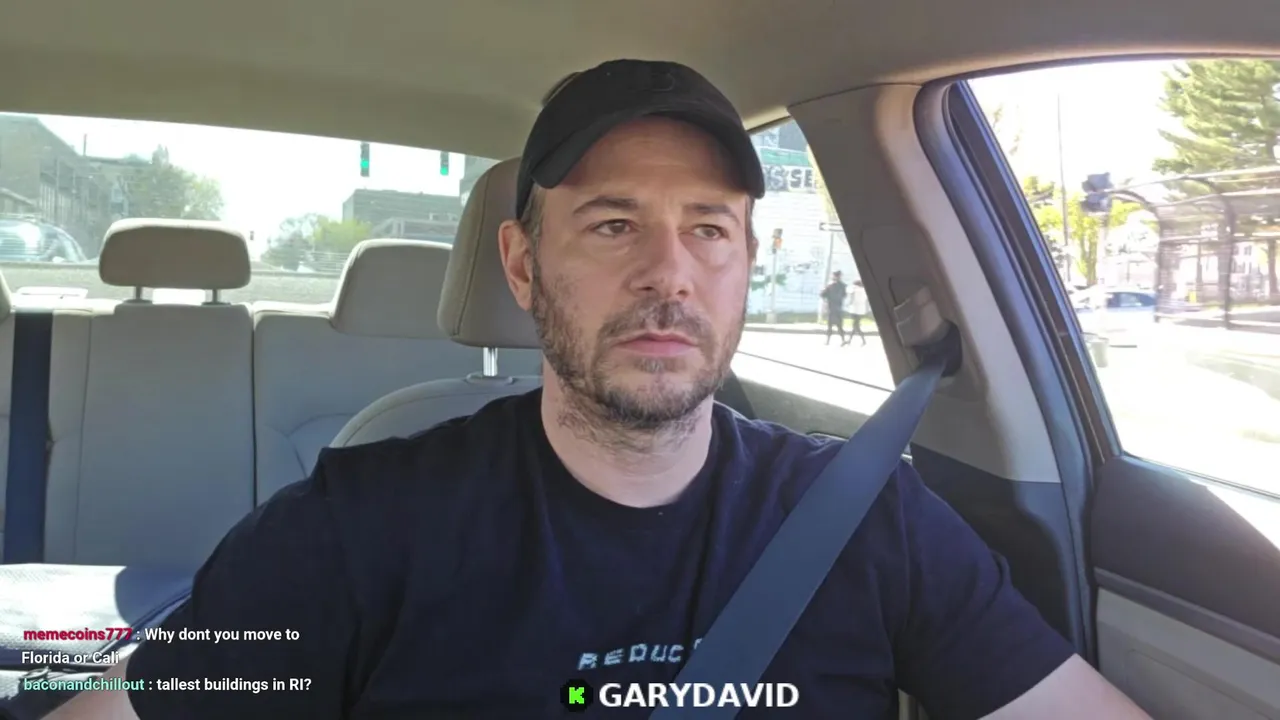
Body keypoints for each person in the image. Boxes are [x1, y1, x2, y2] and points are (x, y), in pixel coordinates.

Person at [53, 58, 1151, 719]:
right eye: (613, 224)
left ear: (744, 262)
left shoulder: (867, 518)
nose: (668, 273)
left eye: (707, 230)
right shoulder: (360, 526)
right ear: (522, 265)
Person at [820, 270, 848, 345]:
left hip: (831, 308)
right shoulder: (843, 285)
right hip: (839, 308)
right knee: (839, 325)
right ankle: (843, 340)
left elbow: (822, 295)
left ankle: (827, 341)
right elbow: (844, 295)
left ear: (834, 276)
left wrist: (826, 297)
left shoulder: (830, 285)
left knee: (830, 325)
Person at [847, 278, 869, 347]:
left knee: (856, 326)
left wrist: (848, 304)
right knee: (855, 326)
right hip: (861, 310)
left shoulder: (854, 289)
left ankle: (862, 341)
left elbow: (849, 292)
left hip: (855, 310)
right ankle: (850, 340)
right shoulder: (864, 290)